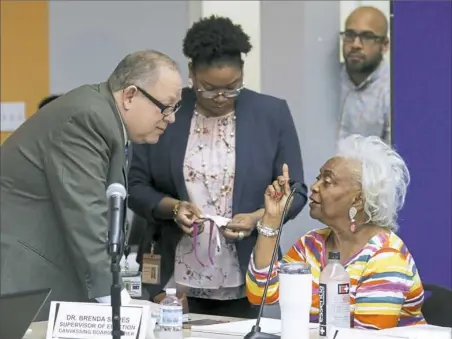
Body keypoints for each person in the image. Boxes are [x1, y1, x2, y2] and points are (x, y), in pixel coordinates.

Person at [128, 16, 307, 318]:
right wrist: (172, 207)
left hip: (246, 270)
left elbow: (297, 191)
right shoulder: (166, 111)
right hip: (173, 277)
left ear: (242, 73)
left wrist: (256, 219)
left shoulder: (271, 114)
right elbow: (134, 185)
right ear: (192, 75)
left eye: (232, 88)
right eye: (209, 88)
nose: (221, 98)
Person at [0, 50, 182, 320]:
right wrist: (118, 301)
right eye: (166, 107)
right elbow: (86, 212)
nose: (171, 118)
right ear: (130, 95)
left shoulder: (106, 119)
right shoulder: (87, 118)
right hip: (23, 279)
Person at [247, 135, 426, 329]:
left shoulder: (386, 257)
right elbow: (261, 293)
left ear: (358, 199)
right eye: (318, 178)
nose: (314, 187)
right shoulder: (311, 244)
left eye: (328, 181)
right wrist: (272, 220)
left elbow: (367, 337)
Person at [338, 6, 391, 144]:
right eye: (350, 35)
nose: (355, 44)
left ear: (384, 45)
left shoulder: (392, 90)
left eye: (367, 37)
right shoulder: (327, 79)